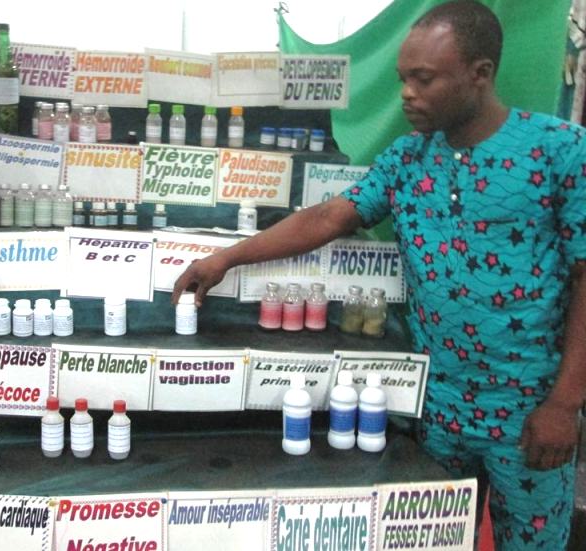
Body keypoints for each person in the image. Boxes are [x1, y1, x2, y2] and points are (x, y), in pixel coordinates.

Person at [173, 1, 585, 548]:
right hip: (434, 408)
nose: (407, 94)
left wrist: (565, 404)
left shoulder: (559, 152)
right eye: (402, 79)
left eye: (424, 79)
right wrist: (225, 258)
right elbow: (327, 217)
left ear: (480, 73)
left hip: (529, 408)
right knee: (435, 541)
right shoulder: (406, 160)